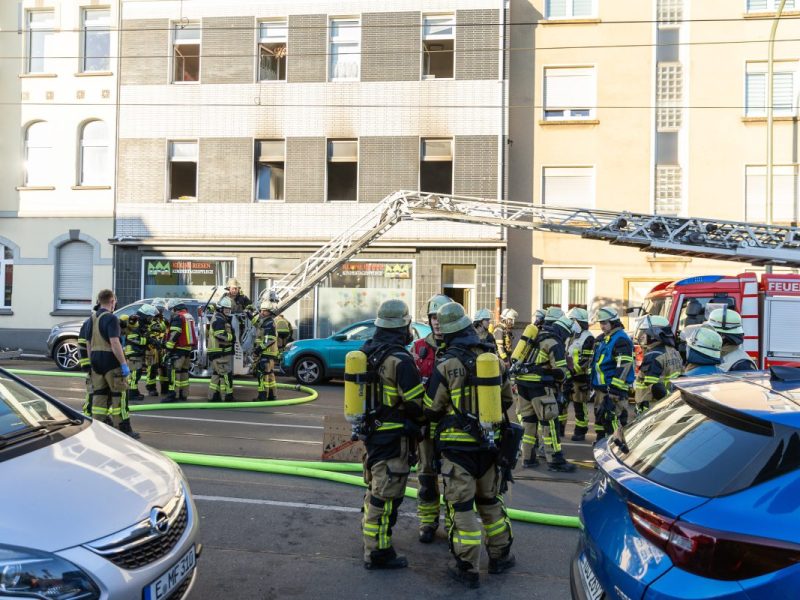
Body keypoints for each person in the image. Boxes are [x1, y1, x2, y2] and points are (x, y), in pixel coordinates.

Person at [425, 302, 515, 588]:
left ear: (448, 334)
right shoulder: (494, 360)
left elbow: (432, 407)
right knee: (491, 503)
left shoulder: (447, 365)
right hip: (490, 447)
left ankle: (467, 568)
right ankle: (500, 557)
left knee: (462, 508)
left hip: (456, 451)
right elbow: (507, 401)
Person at [359, 299, 425, 571]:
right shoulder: (400, 360)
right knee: (385, 498)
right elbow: (416, 405)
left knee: (374, 490)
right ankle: (378, 552)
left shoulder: (367, 351)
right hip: (393, 438)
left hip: (373, 435)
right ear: (403, 326)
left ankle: (369, 536)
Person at [411, 294, 451, 544]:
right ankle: (427, 522)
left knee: (453, 477)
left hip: (451, 425)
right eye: (434, 317)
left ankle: (453, 522)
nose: (437, 323)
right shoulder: (418, 348)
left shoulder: (460, 348)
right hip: (425, 424)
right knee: (426, 475)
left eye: (441, 318)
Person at [514, 314, 576, 472]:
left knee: (528, 422)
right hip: (540, 387)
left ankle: (527, 458)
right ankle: (555, 460)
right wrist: (569, 371)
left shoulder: (535, 337)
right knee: (550, 423)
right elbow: (561, 372)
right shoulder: (555, 342)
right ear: (565, 332)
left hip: (522, 385)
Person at [86, 289, 138, 438]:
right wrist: (123, 364)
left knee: (99, 396)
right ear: (112, 301)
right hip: (111, 362)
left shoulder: (92, 318)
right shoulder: (111, 318)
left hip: (96, 362)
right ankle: (123, 429)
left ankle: (97, 428)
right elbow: (115, 342)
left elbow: (88, 343)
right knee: (119, 396)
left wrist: (91, 363)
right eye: (115, 301)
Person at [590, 307, 635, 442]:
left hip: (613, 391)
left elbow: (623, 367)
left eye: (604, 323)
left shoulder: (620, 339)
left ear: (613, 322)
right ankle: (601, 443)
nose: (601, 326)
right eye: (601, 323)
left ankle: (618, 448)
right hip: (601, 389)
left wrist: (614, 391)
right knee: (601, 419)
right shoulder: (606, 338)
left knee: (615, 421)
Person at [633, 315, 683, 413]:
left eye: (645, 333)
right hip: (670, 404)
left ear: (654, 335)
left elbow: (654, 386)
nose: (642, 336)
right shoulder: (674, 352)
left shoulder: (653, 355)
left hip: (652, 407)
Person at [565, 307, 596, 441]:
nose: (571, 323)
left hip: (580, 378)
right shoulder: (571, 337)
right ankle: (560, 429)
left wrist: (573, 372)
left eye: (573, 320)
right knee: (562, 404)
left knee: (579, 406)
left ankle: (581, 430)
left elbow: (586, 361)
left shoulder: (588, 338)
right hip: (568, 377)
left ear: (580, 322)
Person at [162, 298, 198, 403]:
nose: (171, 312)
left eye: (172, 310)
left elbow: (175, 333)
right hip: (187, 349)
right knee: (184, 372)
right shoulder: (188, 316)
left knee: (174, 372)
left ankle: (173, 395)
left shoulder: (178, 317)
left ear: (176, 308)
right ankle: (183, 394)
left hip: (178, 349)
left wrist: (168, 347)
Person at [705, 308, 757, 372]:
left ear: (722, 336)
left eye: (711, 332)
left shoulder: (742, 365)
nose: (707, 335)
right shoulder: (718, 354)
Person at [124, 304, 158, 403]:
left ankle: (134, 391)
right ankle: (131, 393)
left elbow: (144, 336)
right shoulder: (136, 323)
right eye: (149, 317)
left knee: (136, 374)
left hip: (137, 352)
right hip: (133, 352)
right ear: (145, 316)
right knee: (134, 374)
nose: (150, 319)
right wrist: (148, 341)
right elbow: (133, 338)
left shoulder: (141, 324)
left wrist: (151, 341)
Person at [208, 297, 235, 403]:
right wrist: (231, 337)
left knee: (216, 374)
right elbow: (220, 335)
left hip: (217, 351)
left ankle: (213, 395)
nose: (228, 311)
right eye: (226, 309)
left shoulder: (220, 317)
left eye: (229, 309)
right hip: (220, 352)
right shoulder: (219, 319)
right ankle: (227, 396)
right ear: (221, 309)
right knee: (225, 374)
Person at [253, 300, 280, 401]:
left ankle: (262, 396)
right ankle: (272, 395)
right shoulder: (266, 321)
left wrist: (259, 349)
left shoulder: (269, 323)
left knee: (263, 375)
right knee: (270, 375)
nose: (262, 313)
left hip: (266, 353)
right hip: (269, 354)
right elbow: (255, 322)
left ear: (270, 312)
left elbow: (270, 340)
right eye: (261, 310)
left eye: (265, 311)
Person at [77, 303, 99, 417]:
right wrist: (86, 364)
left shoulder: (108, 319)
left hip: (103, 365)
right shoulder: (90, 322)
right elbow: (81, 345)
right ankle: (87, 414)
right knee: (92, 391)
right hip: (93, 364)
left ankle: (100, 417)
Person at [145, 298, 169, 397]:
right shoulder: (148, 318)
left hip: (162, 348)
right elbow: (147, 332)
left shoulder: (164, 320)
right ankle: (151, 389)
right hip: (152, 348)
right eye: (159, 308)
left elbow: (167, 331)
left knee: (164, 368)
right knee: (152, 369)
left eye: (162, 309)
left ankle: (164, 388)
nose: (160, 310)